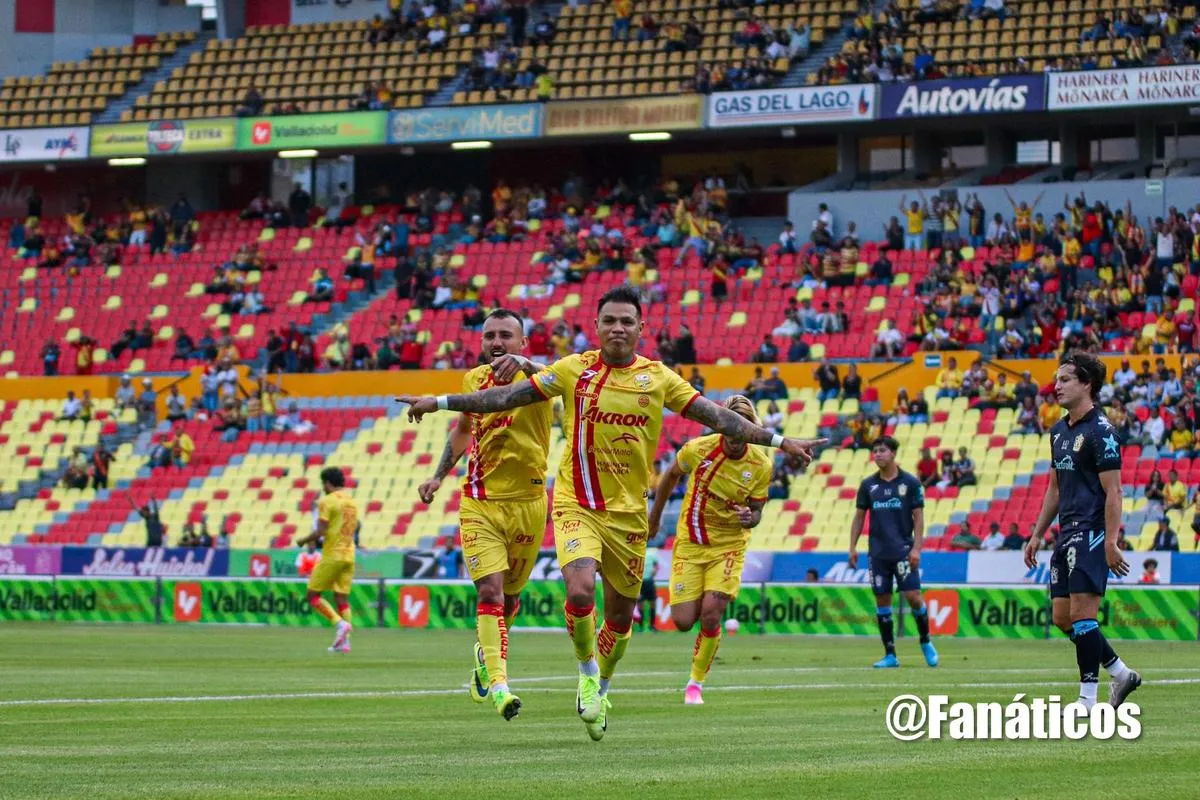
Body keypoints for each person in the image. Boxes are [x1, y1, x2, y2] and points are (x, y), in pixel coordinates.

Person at [396, 286, 824, 741]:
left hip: (629, 515)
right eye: (609, 321)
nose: (618, 328)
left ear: (640, 328)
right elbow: (503, 399)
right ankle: (584, 673)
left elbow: (717, 417)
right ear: (596, 327)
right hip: (575, 504)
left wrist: (778, 441)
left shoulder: (659, 378)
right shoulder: (573, 370)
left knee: (619, 623)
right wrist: (439, 402)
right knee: (580, 593)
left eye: (626, 321)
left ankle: (601, 681)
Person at [416, 309, 553, 721]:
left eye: (506, 335)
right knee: (490, 593)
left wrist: (529, 366)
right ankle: (500, 685)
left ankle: (485, 653)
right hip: (481, 502)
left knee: (510, 599)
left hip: (528, 504)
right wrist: (439, 475)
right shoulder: (473, 380)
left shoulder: (541, 378)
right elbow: (462, 429)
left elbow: (571, 382)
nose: (497, 342)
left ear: (522, 342)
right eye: (490, 335)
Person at [1023, 351, 1141, 710]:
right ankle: (1121, 673)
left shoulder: (1101, 432)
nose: (1056, 387)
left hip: (1090, 531)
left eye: (1065, 380)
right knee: (1062, 618)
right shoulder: (1058, 431)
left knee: (1082, 617)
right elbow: (1055, 489)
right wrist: (1038, 533)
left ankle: (1087, 699)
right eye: (1057, 380)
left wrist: (1111, 541)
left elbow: (1115, 492)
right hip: (1065, 532)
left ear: (1087, 384)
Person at [647, 395, 772, 706]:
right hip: (690, 543)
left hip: (729, 545)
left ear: (750, 430)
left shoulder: (761, 464)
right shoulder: (698, 450)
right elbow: (671, 475)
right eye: (727, 432)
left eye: (739, 433)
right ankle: (697, 669)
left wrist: (749, 518)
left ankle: (695, 684)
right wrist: (656, 515)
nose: (732, 440)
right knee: (683, 620)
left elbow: (756, 512)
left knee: (711, 615)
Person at [848, 436, 938, 669]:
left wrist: (917, 548)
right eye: (875, 451)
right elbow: (859, 518)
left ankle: (926, 641)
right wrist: (852, 547)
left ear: (893, 454)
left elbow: (918, 518)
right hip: (877, 554)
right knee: (882, 600)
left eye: (882, 450)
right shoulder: (868, 485)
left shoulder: (910, 483)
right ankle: (890, 654)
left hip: (903, 552)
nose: (877, 454)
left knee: (914, 597)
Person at [294, 467, 359, 654]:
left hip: (333, 554)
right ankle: (344, 643)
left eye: (323, 484)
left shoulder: (328, 501)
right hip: (349, 554)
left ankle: (339, 624)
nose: (323, 487)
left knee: (312, 596)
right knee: (342, 599)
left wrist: (303, 540)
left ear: (328, 483)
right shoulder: (352, 501)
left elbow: (321, 531)